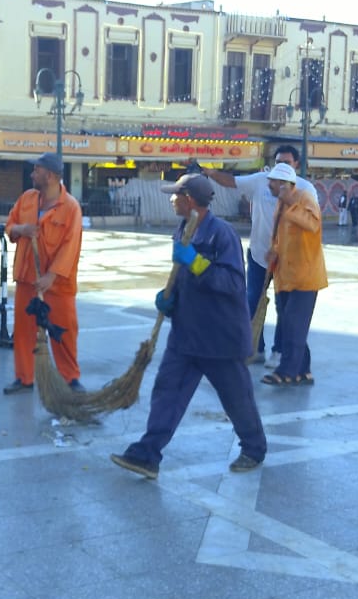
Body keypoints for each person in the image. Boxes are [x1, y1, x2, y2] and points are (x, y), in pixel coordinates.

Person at [111, 174, 267, 478]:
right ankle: (148, 454)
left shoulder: (221, 234)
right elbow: (182, 277)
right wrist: (169, 299)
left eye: (175, 195)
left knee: (236, 399)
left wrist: (195, 262)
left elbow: (232, 283)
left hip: (219, 337)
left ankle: (254, 448)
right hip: (186, 332)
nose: (171, 199)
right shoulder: (183, 229)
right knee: (167, 392)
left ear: (190, 200)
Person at [197, 145, 317, 365]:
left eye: (287, 163)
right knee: (251, 301)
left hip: (287, 261)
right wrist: (212, 173)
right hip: (259, 255)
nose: (281, 166)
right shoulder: (262, 180)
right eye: (278, 161)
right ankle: (254, 347)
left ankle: (279, 351)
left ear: (296, 165)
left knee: (283, 307)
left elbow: (312, 222)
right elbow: (232, 182)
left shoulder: (305, 188)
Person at [3, 152, 84, 394]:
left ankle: (70, 378)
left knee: (64, 332)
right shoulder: (27, 199)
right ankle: (24, 378)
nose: (32, 174)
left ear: (49, 176)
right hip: (28, 278)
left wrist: (51, 276)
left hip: (57, 284)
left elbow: (70, 246)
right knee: (24, 331)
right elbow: (9, 226)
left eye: (36, 170)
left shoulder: (70, 207)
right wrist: (22, 229)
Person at [261, 162, 327, 387]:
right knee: (291, 324)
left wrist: (291, 203)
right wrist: (274, 250)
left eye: (273, 182)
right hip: (286, 274)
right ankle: (303, 370)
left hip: (305, 275)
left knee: (293, 326)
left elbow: (313, 225)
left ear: (284, 184)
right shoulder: (281, 203)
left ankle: (287, 371)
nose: (269, 185)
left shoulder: (305, 198)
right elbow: (283, 235)